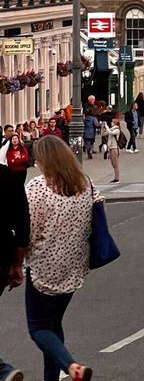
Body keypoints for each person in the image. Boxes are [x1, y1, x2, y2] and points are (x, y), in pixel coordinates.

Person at [25, 136, 97, 381]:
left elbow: (28, 231)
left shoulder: (38, 187)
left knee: (38, 328)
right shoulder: (84, 184)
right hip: (73, 267)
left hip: (44, 269)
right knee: (53, 325)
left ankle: (71, 366)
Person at [0, 136, 30, 381]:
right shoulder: (9, 178)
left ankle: (2, 370)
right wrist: (18, 264)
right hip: (2, 256)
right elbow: (23, 225)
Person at [102, 115, 122, 183]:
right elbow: (104, 134)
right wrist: (103, 128)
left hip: (114, 148)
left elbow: (110, 133)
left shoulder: (117, 130)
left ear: (115, 123)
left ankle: (117, 178)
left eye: (112, 122)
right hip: (110, 148)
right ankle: (115, 177)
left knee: (115, 164)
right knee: (113, 164)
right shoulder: (111, 129)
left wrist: (106, 126)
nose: (111, 123)